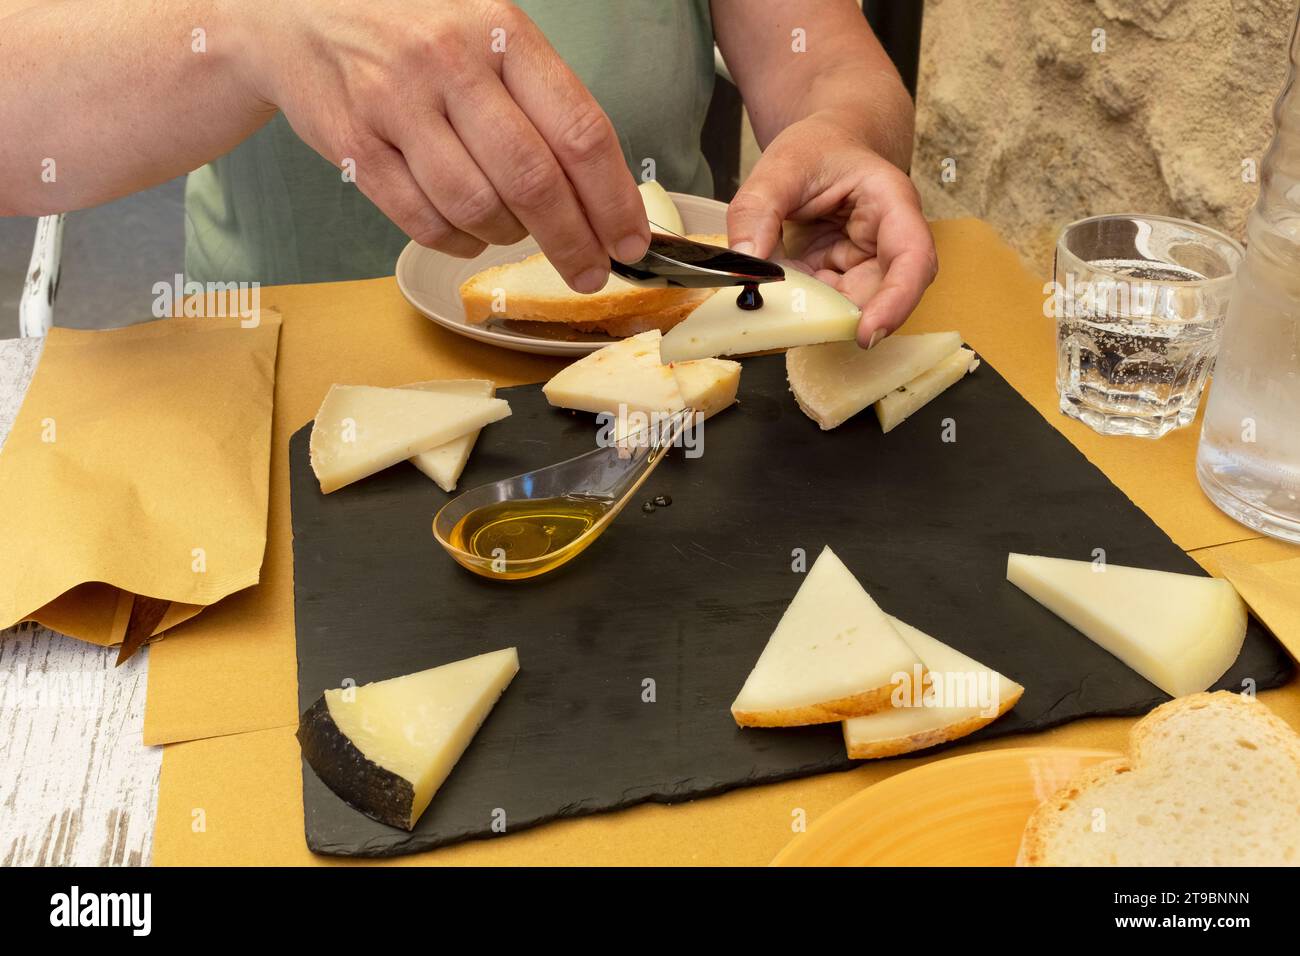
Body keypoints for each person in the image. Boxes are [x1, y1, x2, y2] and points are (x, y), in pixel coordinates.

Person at [0, 0, 936, 345]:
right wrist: (255, 27)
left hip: (664, 377)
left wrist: (846, 132)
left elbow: (824, 61)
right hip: (279, 391)